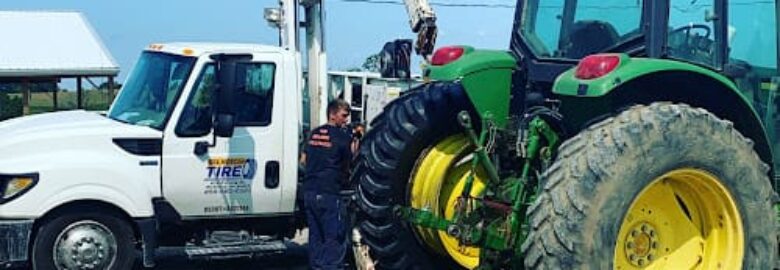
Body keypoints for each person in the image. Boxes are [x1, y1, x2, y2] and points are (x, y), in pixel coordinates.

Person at [301, 99, 352, 270]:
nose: (346, 120)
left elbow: (303, 160)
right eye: (343, 116)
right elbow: (348, 165)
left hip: (309, 192)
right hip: (329, 193)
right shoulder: (342, 137)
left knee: (316, 236)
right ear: (332, 114)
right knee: (334, 238)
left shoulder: (313, 133)